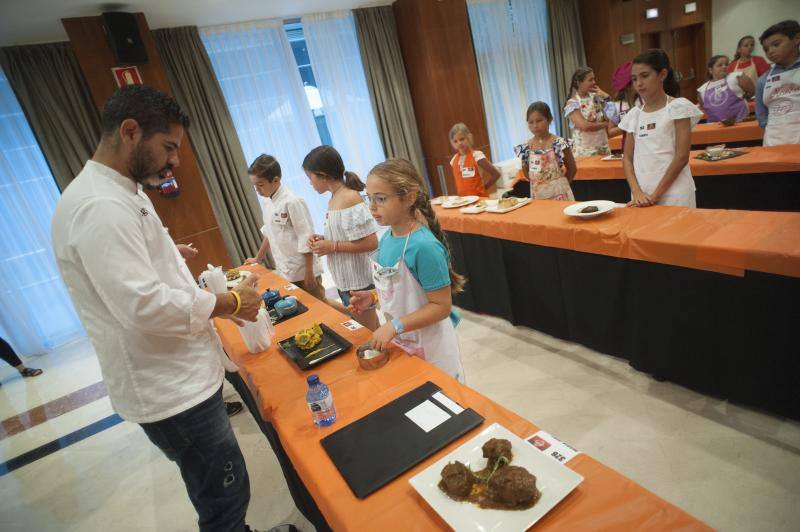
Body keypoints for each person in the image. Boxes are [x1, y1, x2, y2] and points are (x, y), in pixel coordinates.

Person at [51, 85, 268, 532]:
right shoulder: (99, 205)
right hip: (168, 387)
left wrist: (169, 254)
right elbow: (143, 305)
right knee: (223, 494)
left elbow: (137, 271)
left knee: (222, 484)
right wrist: (230, 302)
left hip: (180, 373)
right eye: (168, 147)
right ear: (131, 132)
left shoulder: (123, 191)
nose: (175, 161)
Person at [348, 159, 466, 381]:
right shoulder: (386, 239)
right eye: (369, 198)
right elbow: (396, 291)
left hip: (432, 349)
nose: (372, 207)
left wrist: (395, 325)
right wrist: (372, 298)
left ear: (409, 197)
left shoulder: (424, 246)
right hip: (403, 342)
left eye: (381, 199)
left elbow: (441, 306)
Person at [303, 145, 380, 330]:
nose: (310, 183)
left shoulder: (350, 198)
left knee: (370, 333)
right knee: (366, 330)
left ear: (323, 175)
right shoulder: (334, 198)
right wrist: (324, 239)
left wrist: (332, 246)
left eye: (310, 177)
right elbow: (345, 236)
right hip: (345, 279)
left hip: (358, 281)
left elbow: (371, 242)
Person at [619, 49, 703, 207]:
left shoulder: (678, 107)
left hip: (675, 193)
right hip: (642, 196)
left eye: (645, 76)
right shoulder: (634, 115)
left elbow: (681, 157)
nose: (639, 83)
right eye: (634, 79)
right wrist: (637, 192)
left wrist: (656, 195)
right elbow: (627, 159)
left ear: (662, 74)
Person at [243, 154, 325, 301]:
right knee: (303, 307)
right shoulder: (267, 202)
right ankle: (351, 314)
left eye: (260, 185)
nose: (257, 190)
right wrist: (258, 258)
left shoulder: (292, 202)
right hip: (286, 270)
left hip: (304, 269)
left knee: (322, 306)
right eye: (254, 185)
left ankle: (353, 316)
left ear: (276, 180)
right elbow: (269, 233)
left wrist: (309, 272)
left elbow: (306, 237)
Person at [513, 102, 577, 201]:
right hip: (538, 196)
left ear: (549, 119)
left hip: (560, 195)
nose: (535, 125)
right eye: (531, 122)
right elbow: (526, 171)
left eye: (539, 121)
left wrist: (563, 184)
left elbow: (572, 168)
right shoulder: (525, 148)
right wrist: (539, 183)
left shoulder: (560, 143)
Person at [756, 20, 800, 146]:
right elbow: (762, 116)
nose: (770, 51)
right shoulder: (763, 80)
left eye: (776, 44)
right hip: (775, 142)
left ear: (797, 38)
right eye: (766, 49)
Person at [563, 67, 612, 157]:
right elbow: (584, 126)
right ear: (579, 83)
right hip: (585, 151)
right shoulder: (572, 103)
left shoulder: (597, 97)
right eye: (590, 80)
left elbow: (613, 118)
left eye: (594, 79)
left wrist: (606, 97)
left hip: (603, 147)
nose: (594, 82)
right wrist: (606, 124)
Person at [697, 55, 754, 124]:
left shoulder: (736, 77)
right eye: (720, 65)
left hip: (739, 123)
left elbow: (751, 91)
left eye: (726, 64)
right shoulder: (702, 89)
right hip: (715, 127)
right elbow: (703, 106)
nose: (724, 67)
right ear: (711, 70)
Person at [448, 123, 501, 196]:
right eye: (455, 141)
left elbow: (496, 174)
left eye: (462, 139)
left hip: (479, 200)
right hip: (464, 202)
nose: (459, 143)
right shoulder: (453, 160)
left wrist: (484, 188)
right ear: (452, 143)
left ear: (468, 137)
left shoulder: (477, 156)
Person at [606, 61, 642, 142]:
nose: (639, 83)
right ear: (627, 86)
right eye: (635, 80)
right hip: (628, 143)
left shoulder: (644, 100)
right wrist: (629, 125)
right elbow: (610, 132)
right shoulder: (616, 107)